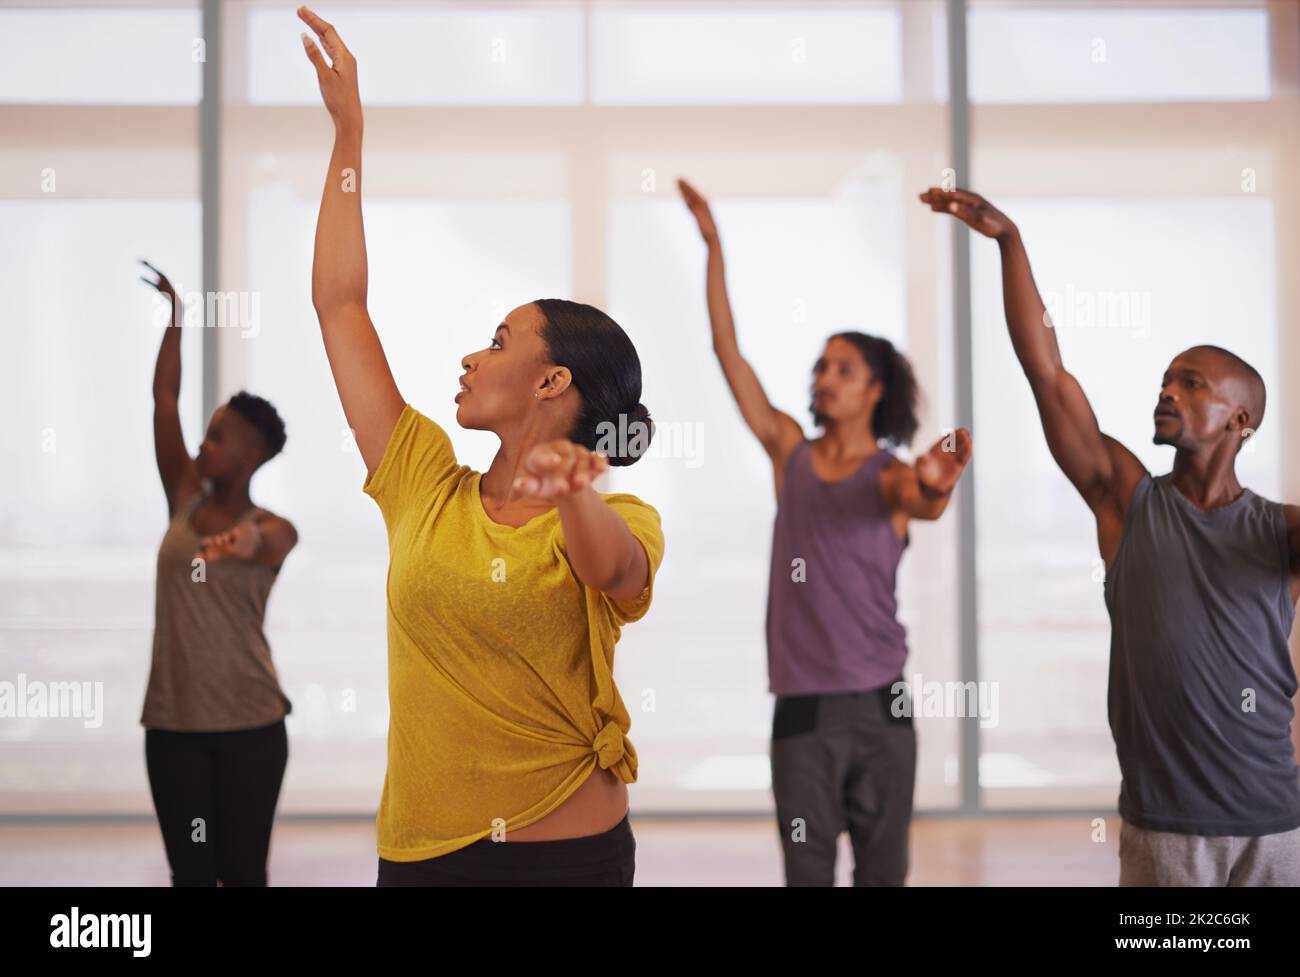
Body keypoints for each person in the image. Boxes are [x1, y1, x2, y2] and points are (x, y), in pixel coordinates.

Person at [297, 5, 665, 887]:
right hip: (421, 855)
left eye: (498, 341)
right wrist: (349, 136)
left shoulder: (622, 515)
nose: (472, 353)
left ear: (552, 383)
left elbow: (616, 573)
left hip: (569, 858)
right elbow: (340, 306)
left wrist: (573, 490)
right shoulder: (423, 480)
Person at [921, 186, 1300, 886]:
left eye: (1191, 384)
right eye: (1165, 380)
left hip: (1274, 827)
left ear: (1240, 418)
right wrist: (1010, 242)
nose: (1167, 391)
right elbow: (1048, 373)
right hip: (1165, 831)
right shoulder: (1124, 497)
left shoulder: (1280, 529)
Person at [679, 179, 972, 886]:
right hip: (802, 709)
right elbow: (729, 354)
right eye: (820, 366)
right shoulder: (791, 452)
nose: (825, 378)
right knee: (806, 873)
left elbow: (924, 502)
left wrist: (937, 479)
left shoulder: (891, 476)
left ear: (876, 389)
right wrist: (715, 246)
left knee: (881, 875)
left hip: (884, 706)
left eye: (844, 368)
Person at [139, 259, 298, 886]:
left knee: (244, 876)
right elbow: (163, 400)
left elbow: (271, 539)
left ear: (251, 453)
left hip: (252, 729)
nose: (203, 446)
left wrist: (244, 538)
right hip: (172, 726)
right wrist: (176, 317)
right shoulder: (184, 498)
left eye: (217, 437)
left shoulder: (275, 527)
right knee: (192, 878)